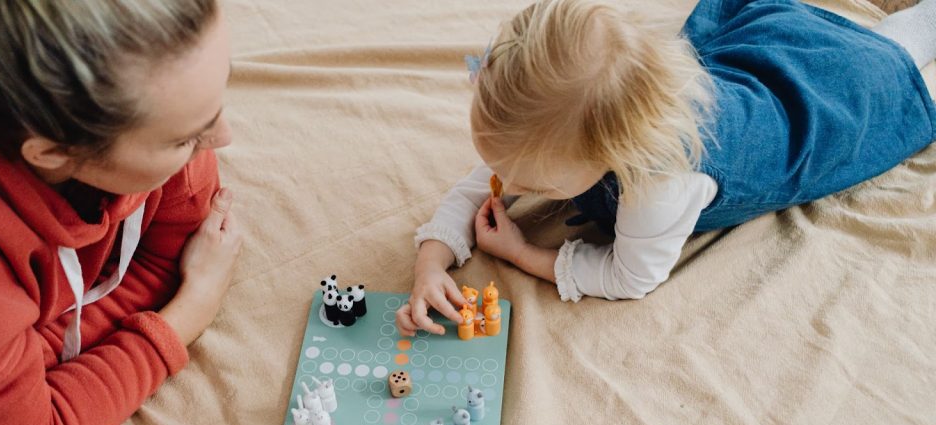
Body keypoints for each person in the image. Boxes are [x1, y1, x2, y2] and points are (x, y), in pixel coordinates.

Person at [396, 0, 936, 335]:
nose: (508, 188)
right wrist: (432, 261)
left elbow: (629, 277)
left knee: (884, 59)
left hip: (804, 109)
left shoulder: (659, 184)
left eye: (533, 183)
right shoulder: (563, 124)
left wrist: (522, 252)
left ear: (614, 152)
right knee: (812, 48)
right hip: (752, 57)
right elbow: (485, 180)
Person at [0, 0, 241, 425]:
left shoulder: (141, 71)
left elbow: (166, 254)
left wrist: (14, 370)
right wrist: (188, 314)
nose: (223, 136)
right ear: (51, 153)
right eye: (185, 137)